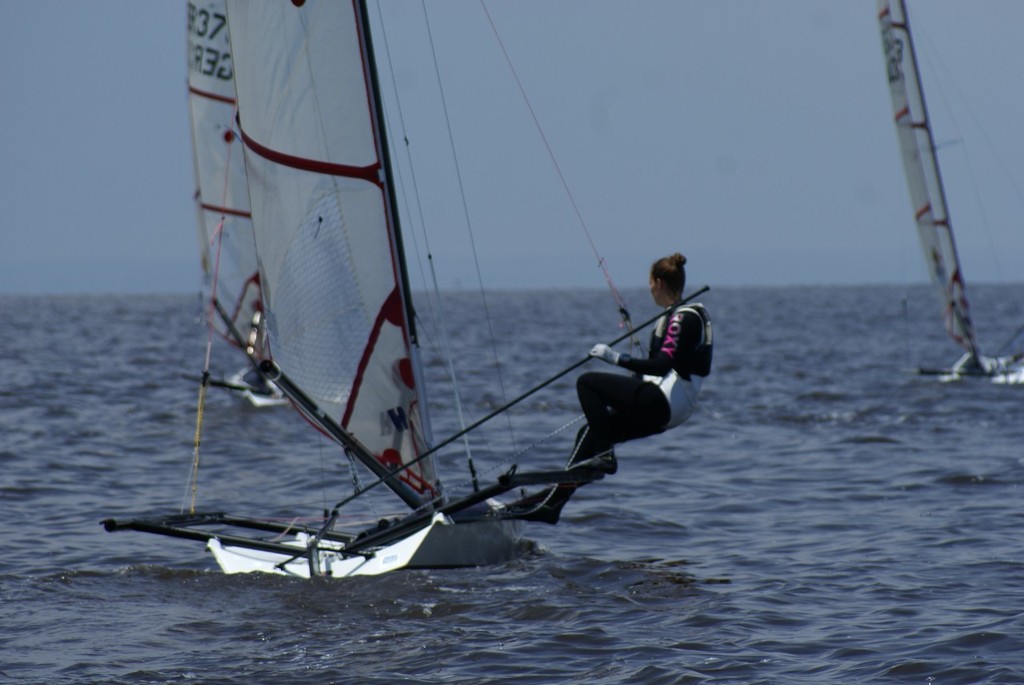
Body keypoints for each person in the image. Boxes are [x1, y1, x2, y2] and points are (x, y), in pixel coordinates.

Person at [568, 252, 712, 474]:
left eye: (650, 283)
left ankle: (605, 456)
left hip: (666, 403)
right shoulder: (672, 316)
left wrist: (616, 358)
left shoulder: (682, 319)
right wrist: (620, 394)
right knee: (590, 433)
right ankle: (551, 503)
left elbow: (662, 365)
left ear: (659, 283)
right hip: (669, 407)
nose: (650, 289)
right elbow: (658, 366)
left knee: (587, 382)